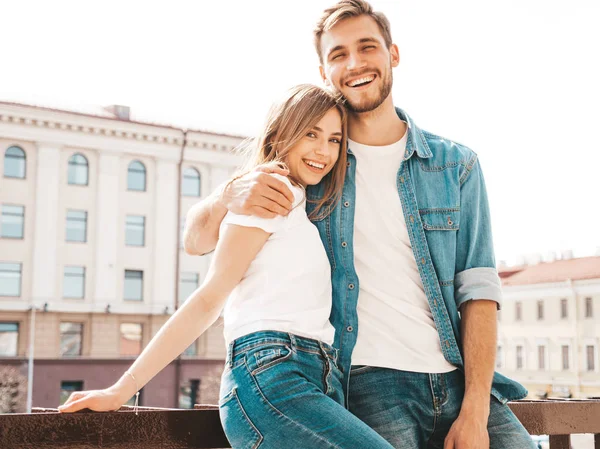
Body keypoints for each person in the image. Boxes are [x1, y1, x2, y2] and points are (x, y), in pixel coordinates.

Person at [183, 1, 535, 448]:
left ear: (393, 54)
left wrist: (476, 409)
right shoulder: (314, 165)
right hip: (369, 384)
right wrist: (224, 196)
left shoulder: (455, 165)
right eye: (338, 54)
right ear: (323, 71)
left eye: (367, 47)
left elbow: (480, 292)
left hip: (458, 379)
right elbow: (196, 242)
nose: (354, 63)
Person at [58, 84, 395, 449]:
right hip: (272, 377)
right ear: (281, 135)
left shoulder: (299, 203)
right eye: (311, 134)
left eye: (333, 139)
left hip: (312, 376)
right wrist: (123, 387)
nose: (323, 150)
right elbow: (208, 298)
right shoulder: (268, 193)